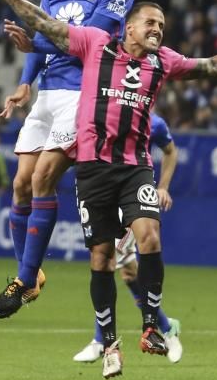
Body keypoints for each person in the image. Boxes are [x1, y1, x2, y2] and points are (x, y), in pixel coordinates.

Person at [0, 0, 217, 379]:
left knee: (149, 236)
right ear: (129, 28)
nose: (158, 29)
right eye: (150, 23)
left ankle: (153, 325)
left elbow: (212, 65)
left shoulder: (164, 62)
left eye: (162, 24)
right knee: (102, 257)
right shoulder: (96, 44)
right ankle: (108, 341)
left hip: (136, 166)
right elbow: (46, 23)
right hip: (94, 169)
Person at [0, 0, 134, 317]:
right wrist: (25, 81)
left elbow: (86, 42)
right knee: (19, 185)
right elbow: (42, 40)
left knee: (42, 178)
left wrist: (35, 44)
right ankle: (29, 276)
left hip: (85, 94)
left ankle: (22, 282)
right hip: (49, 93)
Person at [73, 111, 183, 364]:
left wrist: (163, 186)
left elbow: (170, 151)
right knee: (126, 272)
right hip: (105, 194)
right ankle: (166, 327)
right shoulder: (100, 112)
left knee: (113, 264)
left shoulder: (153, 121)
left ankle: (102, 340)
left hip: (131, 201)